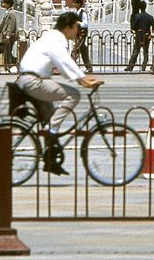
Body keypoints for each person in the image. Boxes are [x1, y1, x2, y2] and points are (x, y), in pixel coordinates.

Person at [15, 10, 103, 174]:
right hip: (34, 81)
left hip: (30, 80)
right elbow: (63, 61)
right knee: (73, 95)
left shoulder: (51, 36)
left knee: (50, 117)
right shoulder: (56, 39)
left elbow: (65, 64)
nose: (78, 31)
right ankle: (52, 131)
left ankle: (50, 159)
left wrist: (82, 77)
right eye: (76, 27)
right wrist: (81, 79)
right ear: (68, 27)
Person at [125, 0, 153, 72]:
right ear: (145, 7)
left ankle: (130, 67)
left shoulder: (137, 16)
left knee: (135, 51)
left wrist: (134, 32)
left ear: (140, 8)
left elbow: (133, 27)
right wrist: (151, 35)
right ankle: (143, 67)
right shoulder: (150, 17)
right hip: (146, 35)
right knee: (145, 52)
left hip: (138, 35)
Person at [0, 0, 21, 73]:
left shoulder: (12, 13)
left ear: (8, 4)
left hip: (9, 36)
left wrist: (8, 35)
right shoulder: (7, 12)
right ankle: (7, 67)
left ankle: (9, 66)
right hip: (5, 35)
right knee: (6, 51)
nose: (2, 4)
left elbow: (11, 25)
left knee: (8, 51)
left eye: (4, 3)